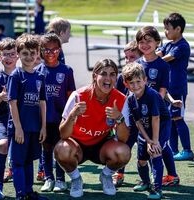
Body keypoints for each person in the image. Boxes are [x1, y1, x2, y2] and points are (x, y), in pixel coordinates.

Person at [54, 58, 131, 198]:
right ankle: (76, 179)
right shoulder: (78, 96)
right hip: (77, 145)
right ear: (95, 76)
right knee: (61, 149)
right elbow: (63, 135)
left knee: (123, 152)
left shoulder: (121, 99)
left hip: (102, 145)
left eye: (112, 74)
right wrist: (72, 115)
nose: (108, 78)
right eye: (104, 73)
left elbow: (123, 139)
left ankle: (106, 176)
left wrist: (119, 118)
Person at [135, 26, 180, 188]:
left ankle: (157, 184)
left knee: (156, 148)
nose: (145, 45)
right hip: (141, 117)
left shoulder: (162, 66)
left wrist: (152, 106)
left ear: (157, 43)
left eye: (149, 41)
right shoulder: (136, 65)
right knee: (154, 148)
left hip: (159, 116)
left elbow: (162, 91)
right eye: (141, 42)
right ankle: (159, 178)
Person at [7, 33, 48, 200]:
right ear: (18, 54)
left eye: (33, 53)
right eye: (25, 53)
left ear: (38, 53)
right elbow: (12, 103)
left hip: (34, 127)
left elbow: (42, 102)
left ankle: (29, 191)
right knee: (18, 162)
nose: (29, 57)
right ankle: (20, 194)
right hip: (20, 128)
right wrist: (18, 128)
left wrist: (43, 126)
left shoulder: (40, 76)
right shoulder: (16, 75)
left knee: (29, 160)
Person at [122, 62, 172, 200]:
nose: (135, 85)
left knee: (155, 152)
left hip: (160, 126)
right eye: (131, 82)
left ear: (145, 80)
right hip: (145, 128)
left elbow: (156, 118)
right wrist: (147, 140)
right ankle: (145, 182)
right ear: (126, 84)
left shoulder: (152, 95)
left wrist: (154, 141)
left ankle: (157, 189)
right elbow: (138, 122)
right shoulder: (131, 99)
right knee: (141, 160)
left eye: (138, 81)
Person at [36, 33, 76, 192]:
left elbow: (70, 95)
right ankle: (48, 178)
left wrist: (70, 118)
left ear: (59, 50)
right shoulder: (38, 70)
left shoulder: (66, 70)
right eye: (46, 50)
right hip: (44, 120)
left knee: (60, 149)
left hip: (61, 119)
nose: (50, 53)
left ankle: (60, 179)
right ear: (41, 50)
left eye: (54, 50)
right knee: (45, 149)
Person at [157, 12, 194, 161]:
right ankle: (174, 150)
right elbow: (158, 53)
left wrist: (150, 60)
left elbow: (166, 58)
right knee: (170, 119)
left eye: (168, 28)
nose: (165, 32)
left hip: (177, 88)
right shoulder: (168, 44)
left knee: (178, 117)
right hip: (167, 89)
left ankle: (187, 150)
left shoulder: (182, 45)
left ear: (178, 29)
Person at [0, 37, 18, 199]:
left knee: (22, 152)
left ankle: (24, 187)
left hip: (19, 121)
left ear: (17, 56)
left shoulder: (23, 76)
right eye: (5, 55)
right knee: (3, 144)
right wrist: (0, 96)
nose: (9, 58)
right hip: (1, 120)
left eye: (12, 54)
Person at [113, 40, 141, 186]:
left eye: (132, 57)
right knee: (123, 147)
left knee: (145, 151)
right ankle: (119, 174)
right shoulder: (121, 77)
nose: (128, 60)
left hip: (143, 122)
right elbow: (116, 97)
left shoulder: (143, 77)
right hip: (127, 122)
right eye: (126, 57)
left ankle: (147, 177)